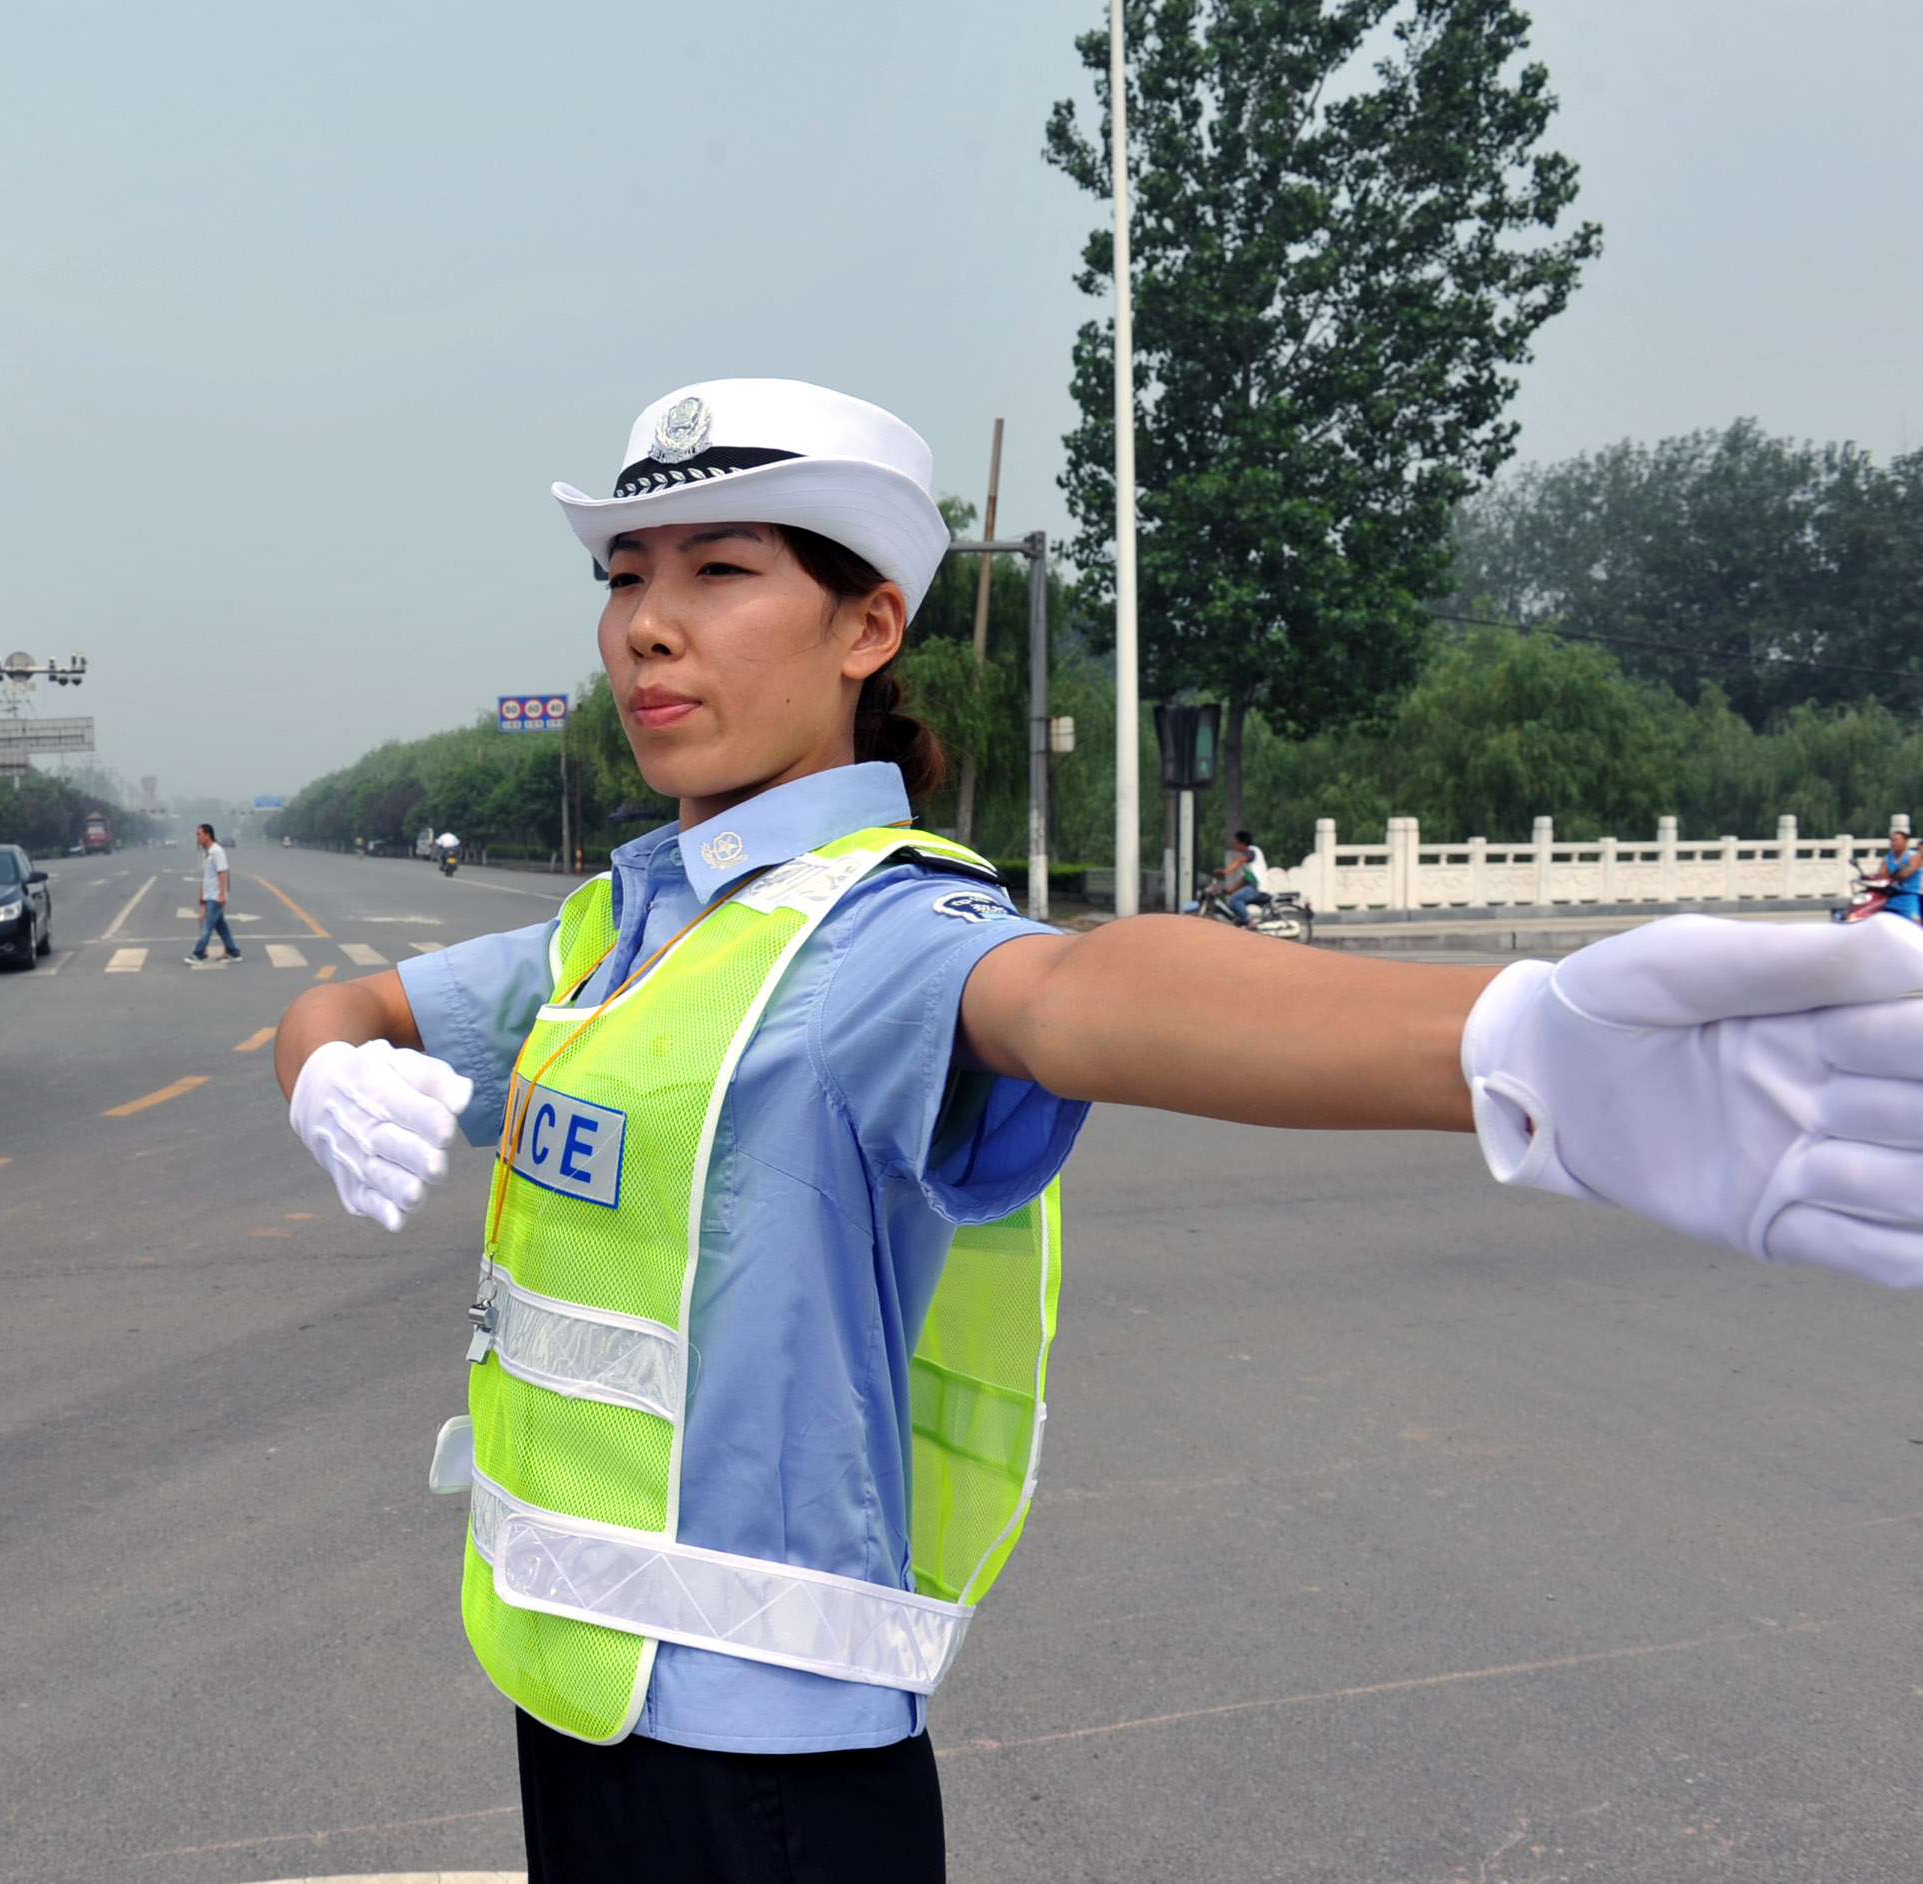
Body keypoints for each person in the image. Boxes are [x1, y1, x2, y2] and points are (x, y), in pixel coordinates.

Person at [270, 379, 1923, 1884]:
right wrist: (319, 1063)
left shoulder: (877, 934)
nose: (646, 627)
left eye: (716, 572)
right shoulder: (619, 924)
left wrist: (1501, 1041)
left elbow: (1081, 997)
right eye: (626, 578)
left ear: (866, 625)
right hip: (567, 1701)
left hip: (762, 1773)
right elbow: (347, 1005)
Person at [188, 822, 241, 967]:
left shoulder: (217, 851)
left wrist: (222, 895)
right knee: (221, 926)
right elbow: (207, 876)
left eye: (199, 834)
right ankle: (234, 952)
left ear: (207, 835)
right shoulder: (207, 852)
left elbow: (223, 873)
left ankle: (198, 954)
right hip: (209, 894)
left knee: (207, 925)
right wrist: (201, 893)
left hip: (216, 896)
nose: (197, 837)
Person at [1217, 826, 1267, 924]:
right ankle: (1242, 923)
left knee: (1236, 899)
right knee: (1232, 901)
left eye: (1237, 842)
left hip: (1257, 888)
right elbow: (1244, 879)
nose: (1236, 845)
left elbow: (1239, 861)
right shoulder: (1248, 861)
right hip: (1252, 886)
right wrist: (1231, 890)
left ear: (1243, 843)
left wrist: (1225, 871)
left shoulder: (1252, 851)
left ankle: (1250, 922)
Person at [1882, 826, 1921, 922]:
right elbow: (1882, 876)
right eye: (1892, 840)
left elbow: (1905, 874)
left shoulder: (1914, 856)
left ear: (1905, 841)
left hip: (1908, 897)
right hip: (1891, 898)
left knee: (1915, 925)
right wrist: (1899, 871)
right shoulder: (1888, 857)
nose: (1893, 843)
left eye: (1896, 840)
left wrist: (1892, 874)